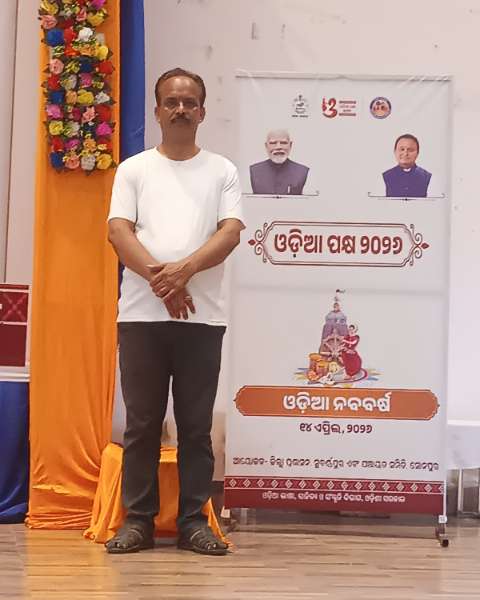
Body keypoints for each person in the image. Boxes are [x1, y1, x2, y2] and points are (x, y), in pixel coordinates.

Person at [105, 67, 244, 556]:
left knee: (195, 426)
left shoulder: (222, 171)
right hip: (141, 318)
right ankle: (137, 521)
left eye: (189, 102)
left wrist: (182, 272)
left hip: (202, 319)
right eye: (172, 102)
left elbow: (230, 233)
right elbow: (118, 232)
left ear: (202, 112)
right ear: (158, 111)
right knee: (142, 424)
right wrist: (161, 282)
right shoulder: (134, 169)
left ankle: (192, 522)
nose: (181, 109)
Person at [249, 129, 309, 195]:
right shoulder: (253, 171)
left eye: (283, 143)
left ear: (290, 145)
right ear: (266, 146)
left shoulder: (303, 172)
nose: (278, 147)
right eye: (273, 143)